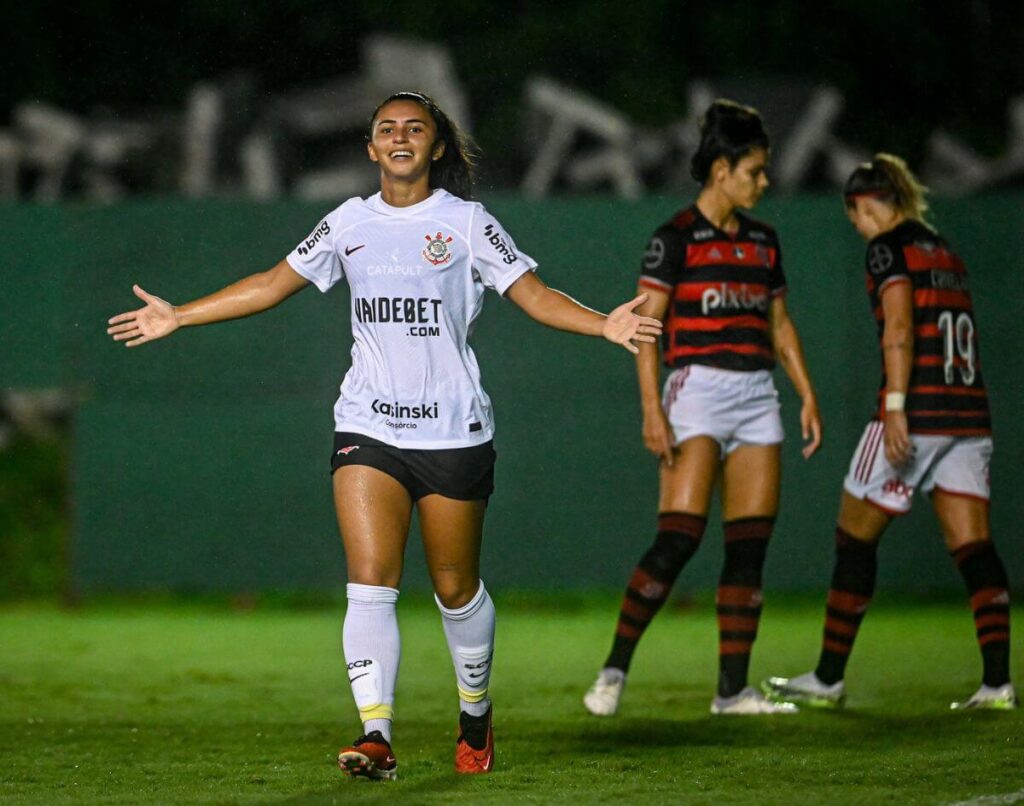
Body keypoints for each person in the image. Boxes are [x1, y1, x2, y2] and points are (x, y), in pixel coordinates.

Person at [106, 91, 663, 779]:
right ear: (370, 149)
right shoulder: (347, 222)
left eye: (415, 128)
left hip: (453, 432)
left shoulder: (465, 224)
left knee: (456, 589)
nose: (400, 137)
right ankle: (376, 734)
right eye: (386, 129)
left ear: (434, 146)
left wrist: (603, 321)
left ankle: (475, 711)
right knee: (369, 582)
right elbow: (273, 283)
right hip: (367, 425)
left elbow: (534, 294)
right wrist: (180, 316)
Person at [582, 99, 822, 717]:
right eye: (755, 171)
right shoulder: (675, 238)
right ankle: (613, 671)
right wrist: (650, 409)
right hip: (697, 393)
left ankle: (732, 691)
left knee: (748, 548)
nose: (764, 182)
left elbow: (782, 326)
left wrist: (807, 394)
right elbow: (645, 325)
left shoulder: (765, 242)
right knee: (679, 538)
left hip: (757, 397)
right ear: (721, 170)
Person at [763, 155, 1015, 711]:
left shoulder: (889, 247)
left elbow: (900, 326)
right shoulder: (944, 250)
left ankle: (828, 679)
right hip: (967, 414)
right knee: (973, 547)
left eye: (854, 213)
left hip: (916, 411)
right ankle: (998, 684)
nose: (856, 226)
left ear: (868, 203)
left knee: (853, 538)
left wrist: (897, 406)